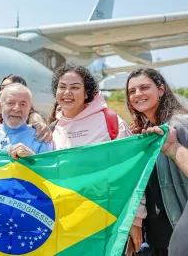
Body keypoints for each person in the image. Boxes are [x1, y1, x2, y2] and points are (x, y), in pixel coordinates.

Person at [50, 63, 145, 254]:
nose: (67, 92)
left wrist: (136, 218)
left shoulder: (110, 122)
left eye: (75, 87)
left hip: (108, 223)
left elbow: (133, 171)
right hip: (65, 226)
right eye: (62, 86)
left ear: (86, 93)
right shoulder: (52, 129)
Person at [126, 68, 188, 256]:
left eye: (144, 87)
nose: (138, 94)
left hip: (178, 234)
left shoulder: (180, 125)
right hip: (156, 238)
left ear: (161, 90)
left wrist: (172, 147)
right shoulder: (146, 132)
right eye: (131, 91)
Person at [0, 83, 53, 158]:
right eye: (10, 103)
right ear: (0, 108)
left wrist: (32, 158)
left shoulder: (41, 139)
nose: (16, 109)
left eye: (22, 104)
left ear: (29, 109)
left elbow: (50, 168)